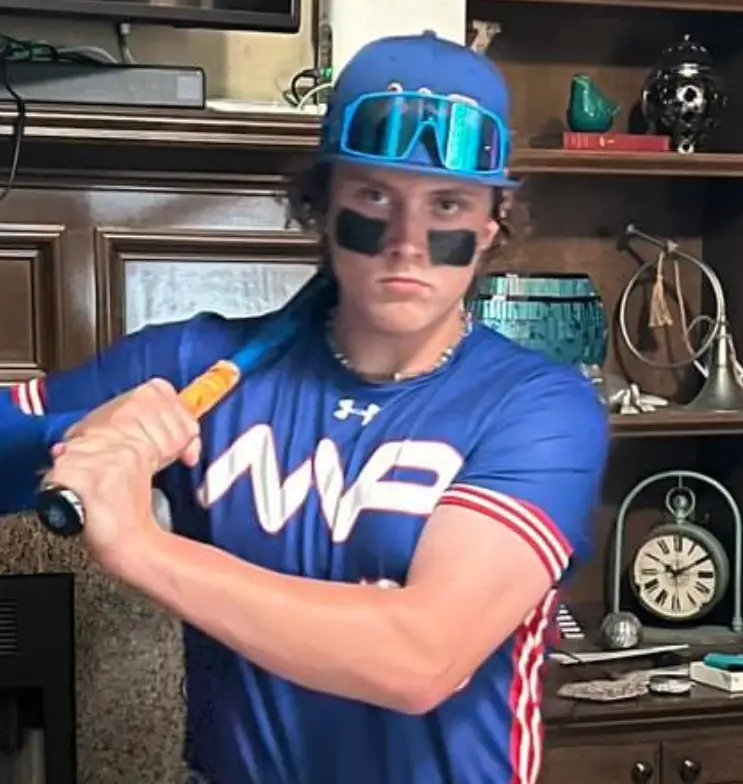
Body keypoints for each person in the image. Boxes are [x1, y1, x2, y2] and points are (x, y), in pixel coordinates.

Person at [14, 31, 609, 784]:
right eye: (374, 196)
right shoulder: (191, 365)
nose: (407, 242)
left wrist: (140, 546)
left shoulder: (539, 408)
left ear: (491, 224)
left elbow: (420, 658)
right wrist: (78, 433)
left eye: (447, 204)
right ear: (322, 205)